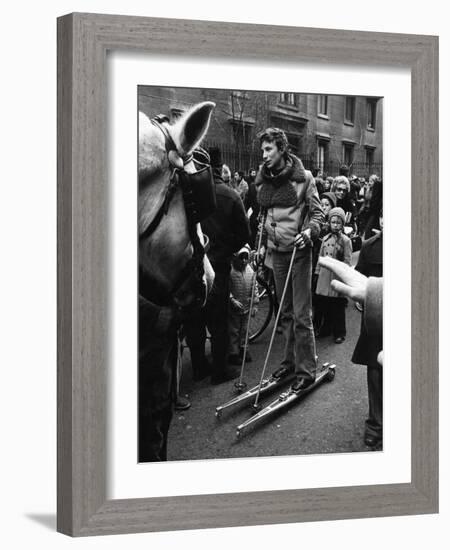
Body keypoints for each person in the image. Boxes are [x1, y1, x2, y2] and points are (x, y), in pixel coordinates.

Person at [256, 127, 324, 391]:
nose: (263, 155)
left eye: (268, 149)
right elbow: (262, 218)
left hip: (299, 253)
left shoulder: (304, 178)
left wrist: (309, 232)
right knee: (283, 313)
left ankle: (306, 371)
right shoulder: (264, 179)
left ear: (282, 149)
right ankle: (289, 363)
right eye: (262, 149)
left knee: (301, 314)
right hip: (278, 254)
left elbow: (318, 215)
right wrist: (260, 246)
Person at [184, 146, 250, 384]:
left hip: (192, 265)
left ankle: (200, 365)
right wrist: (227, 247)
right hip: (219, 264)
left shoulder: (188, 194)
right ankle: (219, 371)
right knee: (218, 320)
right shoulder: (230, 195)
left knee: (195, 317)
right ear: (222, 168)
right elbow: (244, 234)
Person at [351, 214, 383, 449]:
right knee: (375, 367)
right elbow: (359, 277)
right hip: (377, 316)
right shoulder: (370, 247)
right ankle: (376, 423)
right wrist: (359, 299)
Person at [314, 207, 353, 343]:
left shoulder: (346, 241)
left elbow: (348, 261)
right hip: (324, 276)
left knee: (338, 307)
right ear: (329, 223)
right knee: (325, 305)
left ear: (343, 224)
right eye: (333, 222)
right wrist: (317, 273)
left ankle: (339, 332)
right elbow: (320, 257)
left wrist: (344, 276)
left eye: (338, 222)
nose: (335, 225)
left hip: (337, 276)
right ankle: (326, 328)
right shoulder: (325, 239)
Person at [228, 245, 258, 365]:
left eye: (246, 258)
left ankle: (244, 349)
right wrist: (232, 300)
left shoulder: (250, 271)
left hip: (246, 307)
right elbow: (226, 288)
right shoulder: (230, 271)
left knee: (245, 331)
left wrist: (255, 304)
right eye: (241, 258)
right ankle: (233, 353)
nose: (244, 261)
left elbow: (254, 288)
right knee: (233, 331)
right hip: (234, 308)